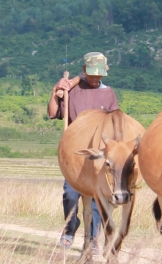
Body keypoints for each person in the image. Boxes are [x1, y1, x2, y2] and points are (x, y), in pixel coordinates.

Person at [48, 52, 119, 250]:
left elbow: (114, 123)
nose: (96, 78)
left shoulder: (109, 94)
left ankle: (93, 237)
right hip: (75, 152)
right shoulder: (73, 90)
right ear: (84, 70)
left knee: (98, 197)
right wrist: (56, 92)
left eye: (99, 75)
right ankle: (70, 228)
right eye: (92, 74)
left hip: (99, 154)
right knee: (70, 194)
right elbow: (53, 113)